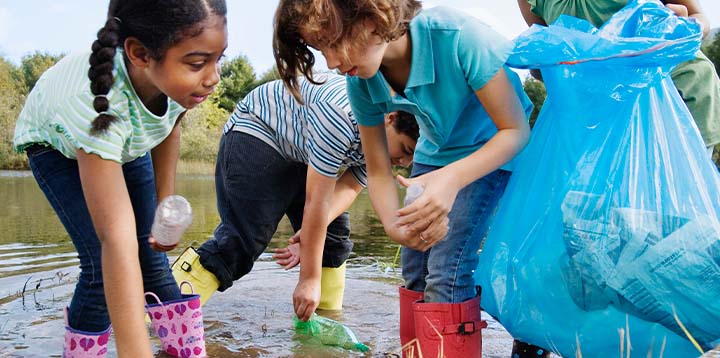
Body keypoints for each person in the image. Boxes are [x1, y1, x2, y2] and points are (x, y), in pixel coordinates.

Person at [273, 1, 533, 357]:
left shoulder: (459, 38)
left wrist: (452, 179)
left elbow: (515, 131)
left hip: (489, 149)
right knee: (414, 264)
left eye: (334, 42)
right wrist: (393, 225)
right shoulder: (362, 80)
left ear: (372, 15)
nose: (331, 62)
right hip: (436, 150)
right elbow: (378, 170)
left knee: (447, 269)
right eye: (321, 50)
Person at [12, 0, 227, 356]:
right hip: (59, 145)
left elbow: (168, 125)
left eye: (218, 59)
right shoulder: (96, 105)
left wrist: (164, 205)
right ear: (140, 54)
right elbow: (116, 241)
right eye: (198, 63)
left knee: (153, 258)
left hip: (125, 141)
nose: (214, 77)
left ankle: (187, 352)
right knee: (100, 265)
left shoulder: (179, 85)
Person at [171, 74, 420, 320]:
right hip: (258, 132)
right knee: (243, 241)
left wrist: (310, 233)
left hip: (302, 154)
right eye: (406, 149)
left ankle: (323, 324)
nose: (404, 163)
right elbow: (317, 200)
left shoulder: (379, 143)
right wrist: (308, 280)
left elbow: (350, 187)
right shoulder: (341, 115)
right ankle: (163, 311)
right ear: (390, 118)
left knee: (332, 238)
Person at [518, 0, 720, 158]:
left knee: (675, 200)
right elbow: (545, 61)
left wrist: (685, 26)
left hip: (678, 96)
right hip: (597, 115)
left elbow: (698, 17)